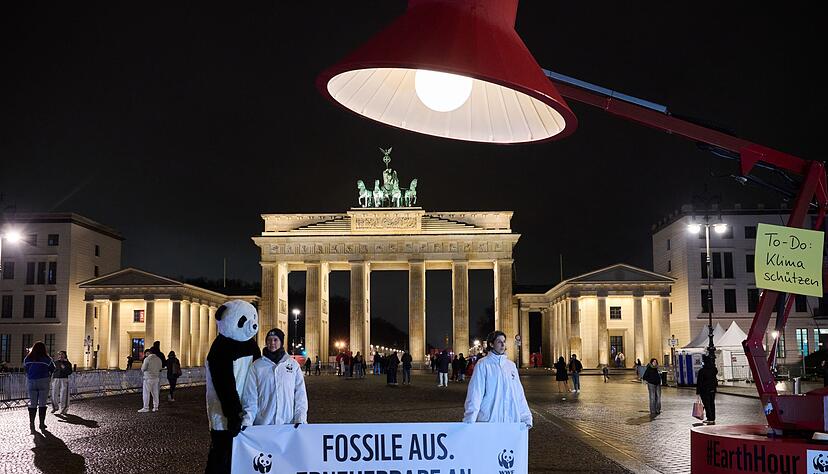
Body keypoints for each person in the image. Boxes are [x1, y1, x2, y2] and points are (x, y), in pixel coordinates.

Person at [463, 331, 532, 429]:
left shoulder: (511, 366)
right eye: (499, 342)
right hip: (490, 419)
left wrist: (526, 417)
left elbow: (518, 393)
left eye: (504, 341)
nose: (503, 344)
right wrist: (470, 419)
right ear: (491, 344)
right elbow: (475, 393)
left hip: (510, 419)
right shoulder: (483, 364)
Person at [241, 328, 307, 427]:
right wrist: (247, 421)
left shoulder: (293, 365)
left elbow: (300, 395)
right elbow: (250, 396)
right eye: (269, 340)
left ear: (281, 342)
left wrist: (300, 419)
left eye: (275, 339)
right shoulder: (257, 366)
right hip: (264, 424)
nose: (272, 342)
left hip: (287, 423)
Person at [24, 341, 55, 432]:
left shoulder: (28, 358)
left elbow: (26, 368)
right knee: (42, 403)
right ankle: (41, 424)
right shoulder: (47, 359)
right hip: (44, 381)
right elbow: (53, 368)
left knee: (32, 403)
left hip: (31, 381)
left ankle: (31, 423)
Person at [696, 355, 718, 425]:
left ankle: (709, 418)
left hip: (704, 390)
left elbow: (699, 382)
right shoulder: (714, 370)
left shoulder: (702, 371)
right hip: (712, 389)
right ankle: (713, 417)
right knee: (712, 403)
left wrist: (698, 391)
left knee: (706, 404)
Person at [138, 348, 162, 412]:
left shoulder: (147, 359)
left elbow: (143, 368)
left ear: (147, 353)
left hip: (148, 378)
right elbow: (160, 368)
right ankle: (156, 407)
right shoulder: (158, 359)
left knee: (146, 393)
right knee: (155, 393)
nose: (145, 355)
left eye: (145, 354)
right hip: (156, 378)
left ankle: (146, 407)